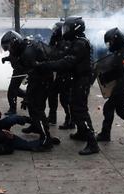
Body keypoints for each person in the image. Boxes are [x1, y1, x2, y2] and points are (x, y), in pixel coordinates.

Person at [36, 16, 100, 155]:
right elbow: (61, 56)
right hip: (77, 79)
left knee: (80, 110)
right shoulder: (76, 41)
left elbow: (66, 62)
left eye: (68, 28)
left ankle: (92, 143)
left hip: (82, 81)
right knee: (73, 106)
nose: (65, 31)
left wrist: (45, 66)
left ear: (75, 28)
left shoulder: (80, 44)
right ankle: (82, 133)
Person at [47, 21, 75, 129]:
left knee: (65, 99)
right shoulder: (56, 41)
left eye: (55, 30)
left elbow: (59, 56)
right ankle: (52, 117)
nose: (53, 32)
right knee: (52, 95)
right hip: (58, 74)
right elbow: (49, 53)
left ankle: (70, 120)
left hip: (65, 75)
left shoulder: (66, 42)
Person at [1, 31, 27, 115]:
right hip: (17, 71)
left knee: (11, 91)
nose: (9, 49)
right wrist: (6, 58)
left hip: (21, 72)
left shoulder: (24, 49)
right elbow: (13, 56)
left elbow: (26, 61)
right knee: (14, 90)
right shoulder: (15, 48)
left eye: (9, 46)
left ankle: (12, 109)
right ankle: (27, 95)